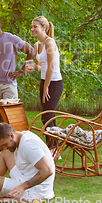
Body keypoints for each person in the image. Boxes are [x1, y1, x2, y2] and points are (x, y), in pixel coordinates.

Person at [0, 16, 34, 123]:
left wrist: (21, 71)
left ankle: (12, 138)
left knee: (11, 115)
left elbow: (31, 51)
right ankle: (1, 138)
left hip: (9, 84)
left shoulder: (11, 39)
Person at [30, 16, 63, 148]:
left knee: (47, 116)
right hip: (45, 82)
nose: (32, 29)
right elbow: (41, 67)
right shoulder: (36, 45)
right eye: (32, 27)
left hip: (54, 84)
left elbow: (51, 67)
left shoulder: (50, 42)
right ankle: (54, 148)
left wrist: (46, 88)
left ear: (44, 28)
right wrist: (33, 67)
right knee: (48, 116)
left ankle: (51, 149)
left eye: (35, 27)